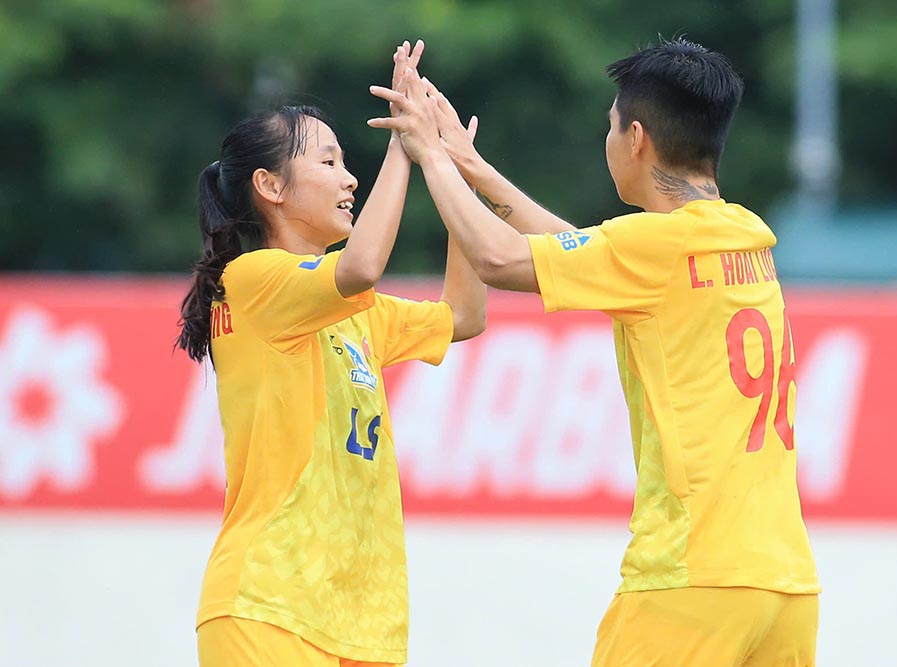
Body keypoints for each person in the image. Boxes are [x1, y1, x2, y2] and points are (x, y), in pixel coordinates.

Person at [371, 37, 820, 667]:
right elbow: (578, 250)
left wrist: (431, 160)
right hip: (786, 586)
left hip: (690, 580)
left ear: (636, 138)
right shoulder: (739, 233)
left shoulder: (651, 246)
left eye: (610, 127)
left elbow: (499, 259)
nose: (607, 141)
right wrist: (470, 164)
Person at [177, 41, 486, 667]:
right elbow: (364, 266)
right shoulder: (254, 279)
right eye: (329, 161)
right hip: (268, 609)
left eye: (349, 161)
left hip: (358, 622)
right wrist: (406, 144)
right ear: (270, 186)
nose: (350, 178)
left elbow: (464, 316)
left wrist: (453, 170)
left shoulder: (351, 312)